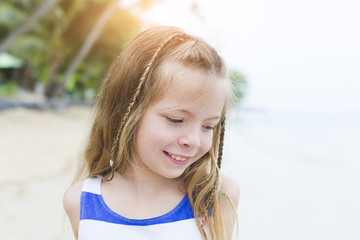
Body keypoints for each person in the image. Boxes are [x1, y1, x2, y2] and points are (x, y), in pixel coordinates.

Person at [63, 26, 240, 240]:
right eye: (176, 120)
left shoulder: (217, 196)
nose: (193, 141)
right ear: (127, 111)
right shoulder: (81, 201)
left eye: (208, 126)